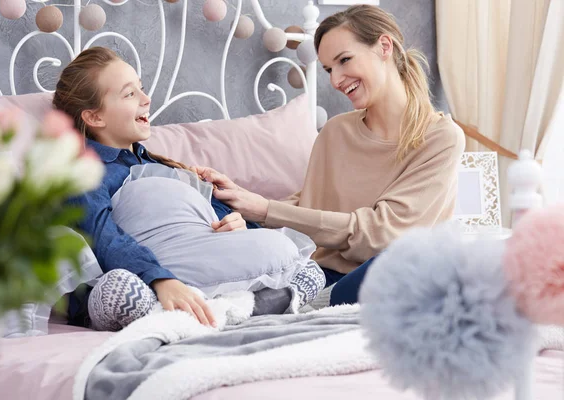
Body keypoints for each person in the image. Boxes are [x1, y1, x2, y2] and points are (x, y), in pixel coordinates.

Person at [194, 5, 465, 306]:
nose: (336, 81)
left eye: (344, 60)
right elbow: (310, 203)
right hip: (321, 272)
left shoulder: (441, 138)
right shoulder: (335, 132)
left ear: (384, 46)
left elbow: (384, 235)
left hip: (388, 271)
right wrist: (245, 209)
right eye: (328, 70)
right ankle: (295, 295)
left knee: (418, 258)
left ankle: (298, 298)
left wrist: (267, 209)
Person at [53, 47, 325, 331]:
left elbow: (217, 234)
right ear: (95, 117)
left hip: (197, 271)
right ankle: (231, 307)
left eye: (142, 89)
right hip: (140, 279)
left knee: (308, 269)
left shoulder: (170, 170)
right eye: (129, 94)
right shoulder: (84, 172)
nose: (146, 99)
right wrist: (160, 279)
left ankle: (211, 311)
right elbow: (102, 238)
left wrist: (237, 225)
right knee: (119, 289)